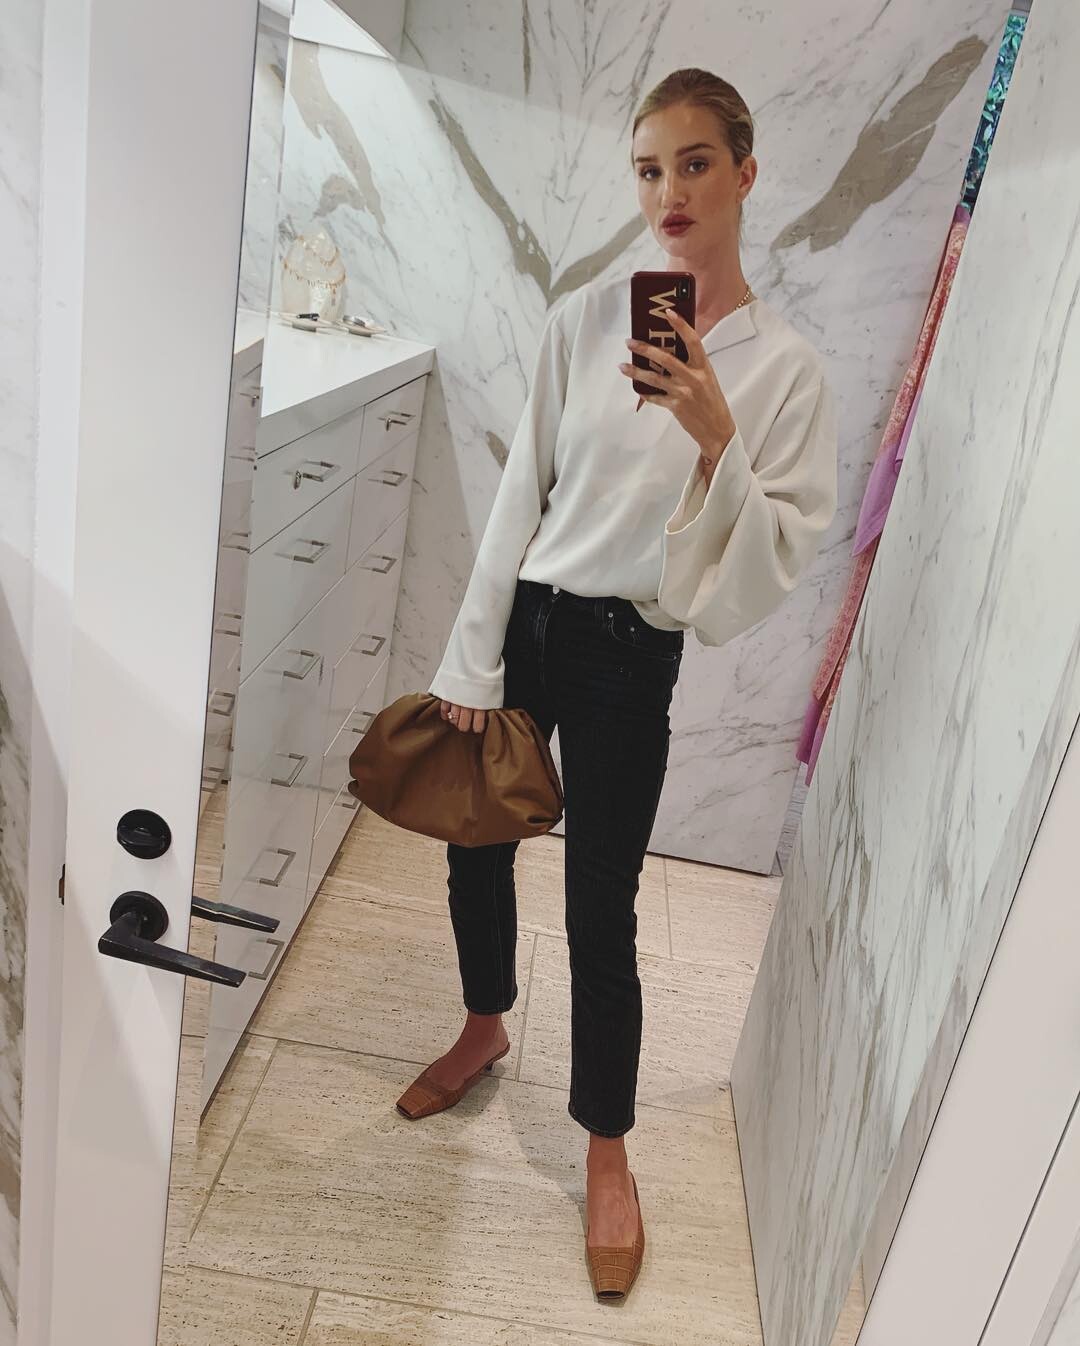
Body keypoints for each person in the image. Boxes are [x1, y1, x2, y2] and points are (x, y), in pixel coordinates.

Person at [395, 67, 838, 1301]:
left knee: (603, 902)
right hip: (532, 617)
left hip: (633, 648)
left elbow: (777, 550)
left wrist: (715, 432)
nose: (669, 191)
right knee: (475, 842)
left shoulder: (784, 370)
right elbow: (520, 492)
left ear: (745, 172)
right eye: (649, 168)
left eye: (694, 163)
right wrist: (472, 652)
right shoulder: (589, 319)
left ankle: (605, 1147)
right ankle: (484, 1023)